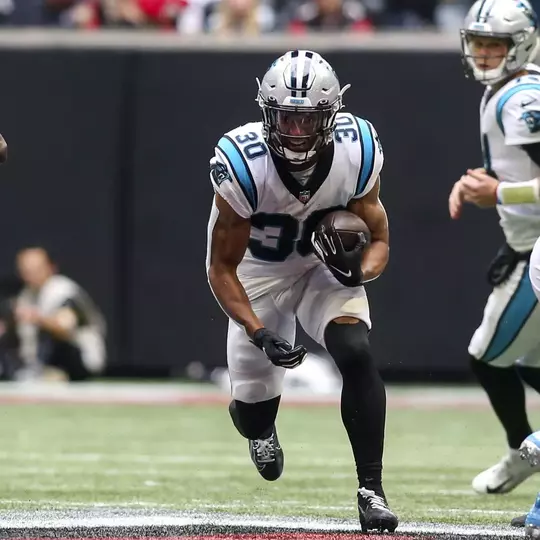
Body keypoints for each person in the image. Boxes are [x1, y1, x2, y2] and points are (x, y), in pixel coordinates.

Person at [205, 49, 398, 533]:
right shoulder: (242, 163)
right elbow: (221, 267)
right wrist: (257, 331)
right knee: (251, 412)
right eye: (285, 119)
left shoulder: (357, 150)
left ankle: (371, 490)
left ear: (330, 117)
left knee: (355, 351)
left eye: (306, 120)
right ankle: (261, 428)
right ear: (266, 113)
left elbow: (380, 240)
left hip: (319, 269)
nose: (294, 131)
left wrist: (357, 274)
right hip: (258, 278)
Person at [450, 0, 540, 496]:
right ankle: (524, 447)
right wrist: (482, 184)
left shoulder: (521, 98)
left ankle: (522, 449)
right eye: (478, 43)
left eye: (495, 45)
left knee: (488, 357)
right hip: (527, 242)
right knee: (528, 361)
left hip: (537, 249)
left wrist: (499, 193)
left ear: (520, 44)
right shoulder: (506, 90)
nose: (484, 54)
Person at [0, 247, 106, 381]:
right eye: (26, 270)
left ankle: (50, 373)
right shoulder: (25, 294)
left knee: (50, 334)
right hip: (36, 364)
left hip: (80, 360)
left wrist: (36, 318)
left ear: (51, 267)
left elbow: (64, 327)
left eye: (36, 269)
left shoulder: (63, 291)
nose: (30, 275)